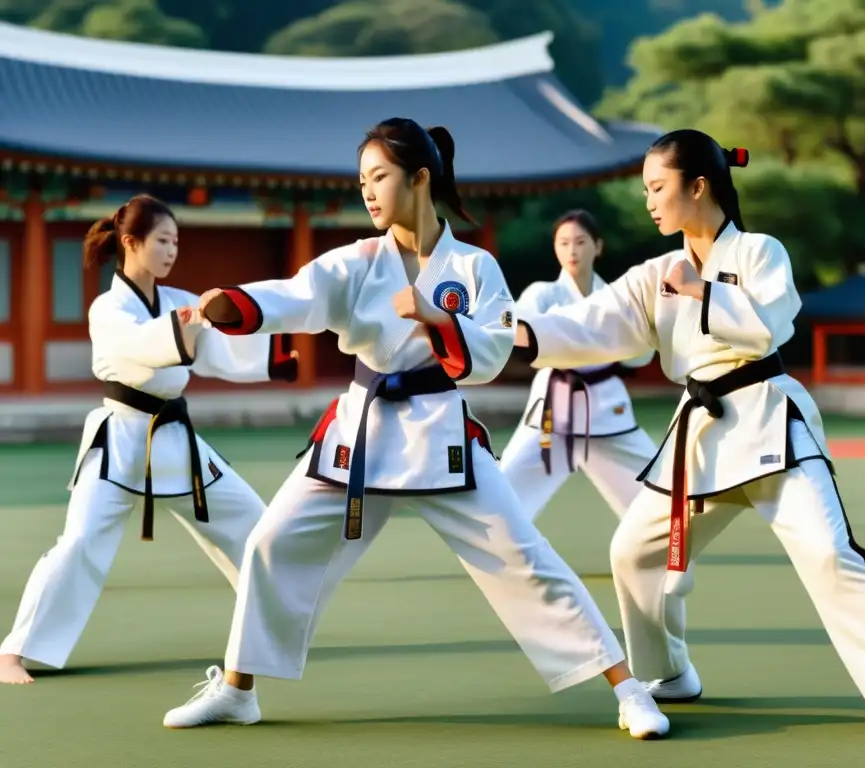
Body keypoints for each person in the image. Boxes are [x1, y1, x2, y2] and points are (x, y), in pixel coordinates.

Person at [161, 118, 670, 740]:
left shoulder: (475, 266)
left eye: (379, 177)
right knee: (273, 542)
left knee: (524, 557)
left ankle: (627, 687)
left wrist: (435, 320)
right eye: (361, 181)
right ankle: (238, 690)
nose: (367, 192)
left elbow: (486, 354)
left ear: (420, 177)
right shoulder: (358, 261)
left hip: (442, 437)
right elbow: (299, 295)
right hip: (360, 434)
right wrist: (235, 305)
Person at [511, 130, 865, 743]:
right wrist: (493, 334)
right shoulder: (654, 274)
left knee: (831, 552)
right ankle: (669, 672)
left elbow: (768, 324)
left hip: (769, 422)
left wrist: (700, 290)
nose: (648, 201)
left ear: (697, 186)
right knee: (633, 553)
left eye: (657, 187)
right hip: (699, 437)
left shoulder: (759, 251)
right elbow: (587, 325)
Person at [0, 195, 299, 685]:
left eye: (176, 242)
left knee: (254, 527)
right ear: (130, 242)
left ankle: (270, 633)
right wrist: (184, 327)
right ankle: (14, 652)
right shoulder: (108, 307)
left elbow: (216, 350)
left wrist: (275, 360)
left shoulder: (181, 301)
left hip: (175, 441)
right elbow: (142, 347)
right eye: (162, 240)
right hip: (119, 441)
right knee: (78, 544)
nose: (171, 251)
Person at [501, 210, 660, 524]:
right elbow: (518, 338)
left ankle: (658, 545)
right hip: (553, 406)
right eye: (563, 243)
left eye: (580, 241)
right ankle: (504, 549)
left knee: (656, 491)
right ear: (555, 249)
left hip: (605, 404)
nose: (572, 250)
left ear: (598, 247)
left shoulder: (616, 297)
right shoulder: (541, 294)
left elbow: (640, 354)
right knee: (504, 490)